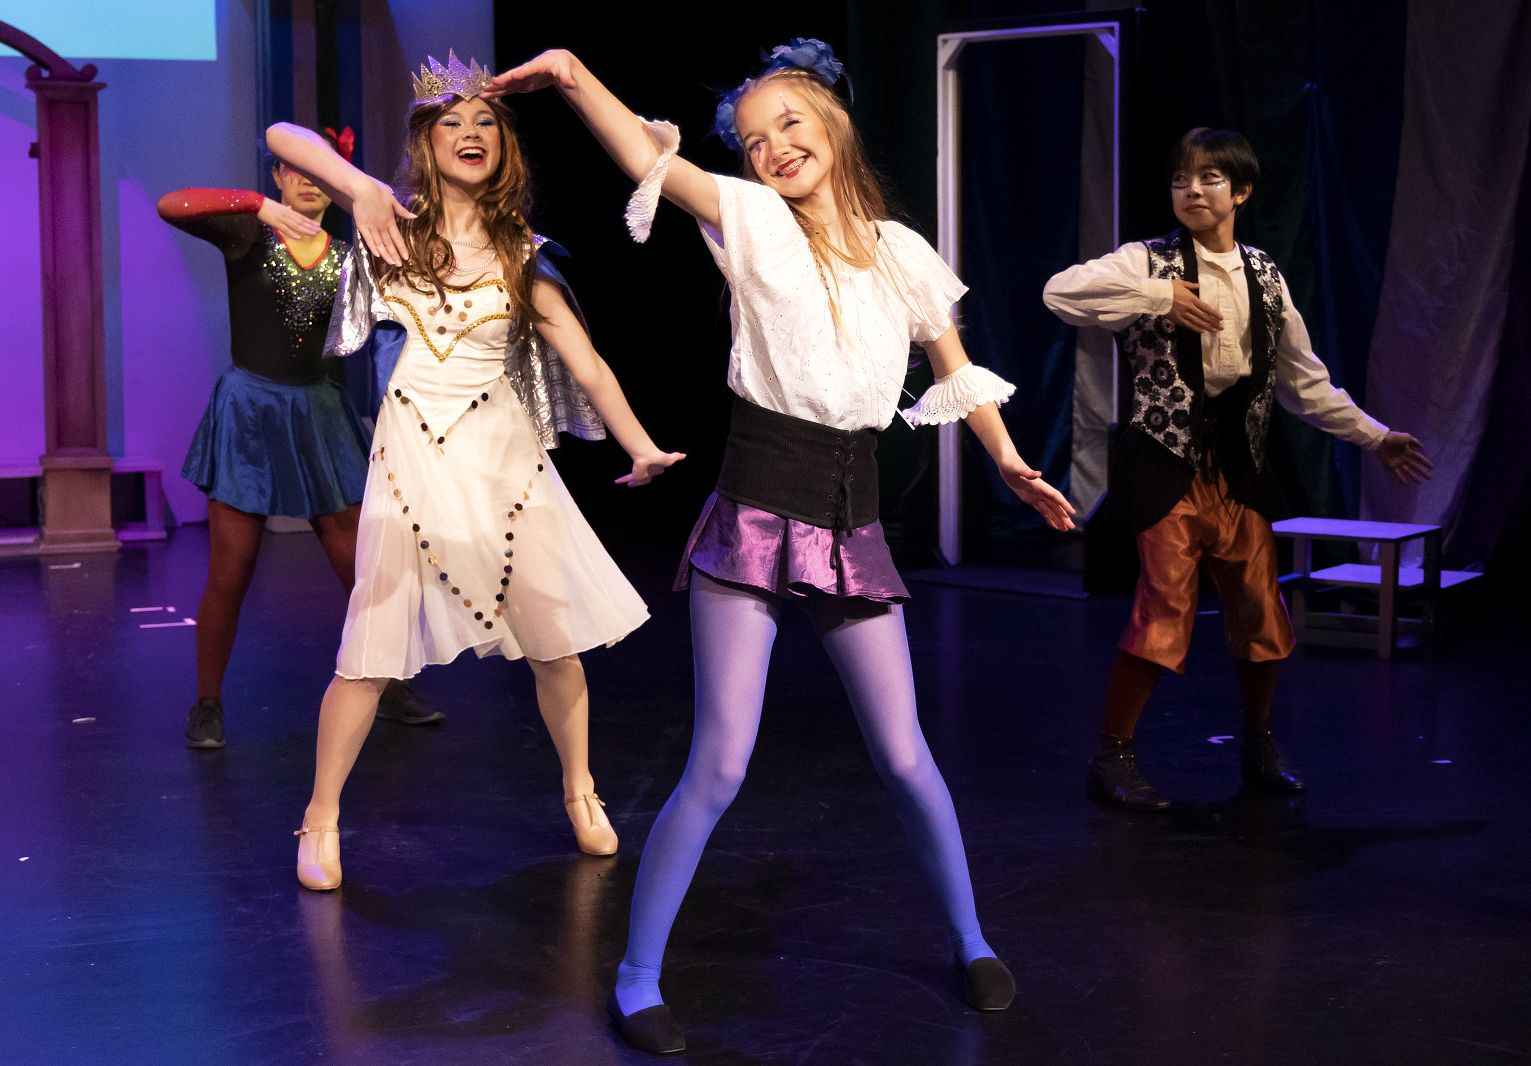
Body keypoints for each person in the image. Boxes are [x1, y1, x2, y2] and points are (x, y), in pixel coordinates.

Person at [488, 39, 1074, 1053]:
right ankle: (636, 975)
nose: (773, 149)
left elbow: (953, 364)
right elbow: (649, 160)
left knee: (903, 752)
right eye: (755, 140)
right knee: (720, 761)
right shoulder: (752, 221)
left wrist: (1011, 459)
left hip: (850, 515)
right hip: (759, 506)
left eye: (789, 124)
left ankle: (971, 938)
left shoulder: (901, 252)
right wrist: (578, 76)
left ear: (833, 124)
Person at [265, 52, 683, 889]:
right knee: (370, 653)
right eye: (451, 121)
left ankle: (581, 790)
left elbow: (588, 364)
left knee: (555, 644)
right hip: (412, 454)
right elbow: (281, 134)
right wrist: (356, 186)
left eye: (485, 121)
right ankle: (321, 818)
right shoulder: (388, 230)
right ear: (425, 142)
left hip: (505, 460)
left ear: (504, 145)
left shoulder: (526, 253)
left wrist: (638, 443)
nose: (471, 132)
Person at [1042, 127, 1432, 811]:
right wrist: (1158, 296)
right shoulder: (1146, 261)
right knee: (1165, 606)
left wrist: (1375, 438)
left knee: (1260, 608)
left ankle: (1259, 744)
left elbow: (1304, 383)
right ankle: (1112, 757)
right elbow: (1060, 294)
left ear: (1241, 192)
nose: (1192, 190)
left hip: (1237, 464)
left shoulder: (1266, 275)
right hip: (1166, 461)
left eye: (1210, 178)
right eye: (1181, 179)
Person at [158, 128, 441, 752]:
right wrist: (255, 205)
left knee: (360, 569)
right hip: (249, 413)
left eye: (322, 172)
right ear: (280, 176)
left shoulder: (350, 255)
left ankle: (389, 684)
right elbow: (171, 204)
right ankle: (207, 703)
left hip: (318, 412)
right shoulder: (247, 235)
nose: (310, 180)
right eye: (296, 171)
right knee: (230, 573)